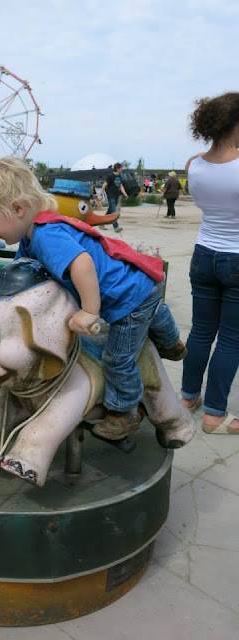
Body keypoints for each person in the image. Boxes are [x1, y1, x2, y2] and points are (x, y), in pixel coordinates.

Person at [0, 157, 186, 439]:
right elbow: (19, 275)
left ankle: (125, 411)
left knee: (117, 359)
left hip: (126, 299)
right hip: (140, 283)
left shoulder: (47, 236)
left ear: (17, 209)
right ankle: (171, 340)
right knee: (153, 310)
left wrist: (89, 312)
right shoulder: (30, 237)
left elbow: (82, 264)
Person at [181, 92, 239, 434]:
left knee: (201, 330)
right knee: (231, 338)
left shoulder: (194, 164)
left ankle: (188, 396)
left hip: (203, 254)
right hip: (236, 258)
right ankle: (216, 415)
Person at [100, 163, 128, 233]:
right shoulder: (110, 176)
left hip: (116, 196)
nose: (122, 169)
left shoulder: (120, 177)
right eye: (121, 168)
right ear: (118, 168)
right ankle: (116, 227)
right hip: (111, 196)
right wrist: (100, 194)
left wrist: (125, 194)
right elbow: (104, 185)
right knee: (114, 212)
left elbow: (121, 186)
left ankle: (101, 223)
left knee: (110, 211)